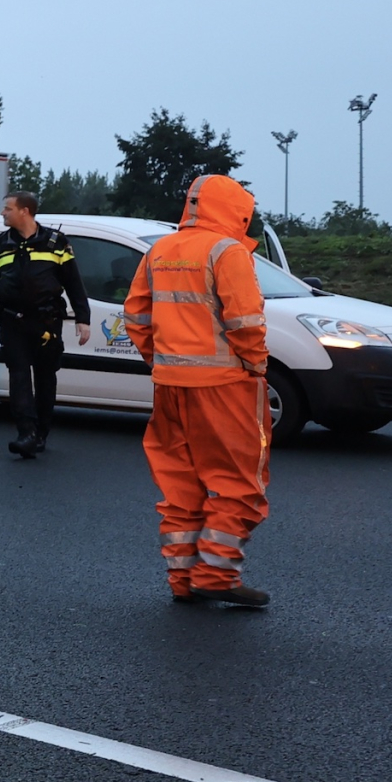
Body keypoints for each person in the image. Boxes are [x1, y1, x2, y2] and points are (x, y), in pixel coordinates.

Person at [125, 175, 272, 607]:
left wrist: (160, 359)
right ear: (237, 210)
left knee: (179, 483)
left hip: (169, 385)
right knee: (238, 483)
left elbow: (136, 317)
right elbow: (246, 322)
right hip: (225, 385)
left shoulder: (160, 249)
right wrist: (256, 367)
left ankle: (182, 578)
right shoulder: (227, 252)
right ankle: (215, 575)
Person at [0, 190, 92, 459]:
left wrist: (82, 318)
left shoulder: (55, 242)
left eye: (7, 208)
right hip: (12, 319)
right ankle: (25, 432)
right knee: (18, 375)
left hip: (46, 322)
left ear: (24, 211)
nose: (3, 213)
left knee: (45, 377)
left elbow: (74, 283)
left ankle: (41, 432)